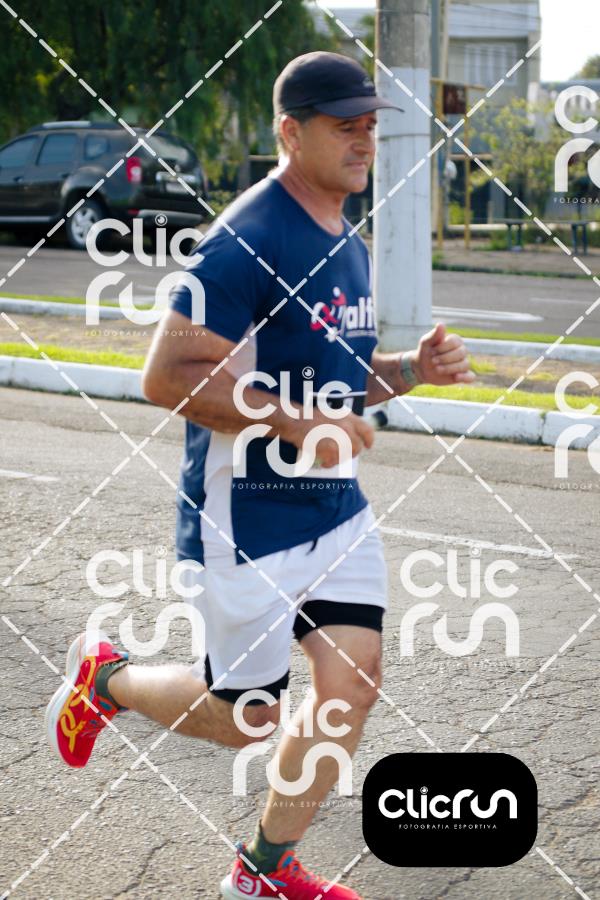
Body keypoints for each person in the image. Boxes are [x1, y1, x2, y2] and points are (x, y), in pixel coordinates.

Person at [45, 51, 475, 899]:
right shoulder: (246, 240)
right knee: (248, 718)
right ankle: (108, 680)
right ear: (290, 132)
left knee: (353, 681)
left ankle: (263, 871)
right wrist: (298, 423)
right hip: (246, 517)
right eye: (343, 126)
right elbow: (167, 377)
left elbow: (337, 380)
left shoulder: (344, 235)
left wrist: (411, 371)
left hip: (334, 511)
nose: (363, 140)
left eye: (369, 125)